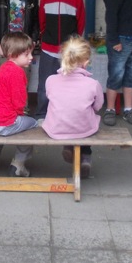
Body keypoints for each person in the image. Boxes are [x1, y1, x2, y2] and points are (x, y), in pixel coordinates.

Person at [0, 32, 38, 177]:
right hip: (2, 124)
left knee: (8, 122)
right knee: (33, 125)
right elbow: (19, 103)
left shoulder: (3, 68)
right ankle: (18, 164)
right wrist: (21, 115)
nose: (31, 57)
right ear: (12, 54)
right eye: (26, 54)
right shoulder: (18, 72)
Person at [42, 36, 104, 178]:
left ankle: (68, 146)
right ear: (86, 62)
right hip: (83, 128)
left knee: (67, 114)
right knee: (87, 119)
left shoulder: (50, 80)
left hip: (56, 128)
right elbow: (98, 106)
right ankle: (86, 157)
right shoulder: (93, 84)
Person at [35, 0, 85, 120]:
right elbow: (41, 23)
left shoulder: (77, 0)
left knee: (68, 85)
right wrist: (46, 39)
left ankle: (66, 115)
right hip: (48, 51)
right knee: (45, 84)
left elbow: (80, 26)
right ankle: (42, 114)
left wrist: (72, 46)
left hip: (68, 53)